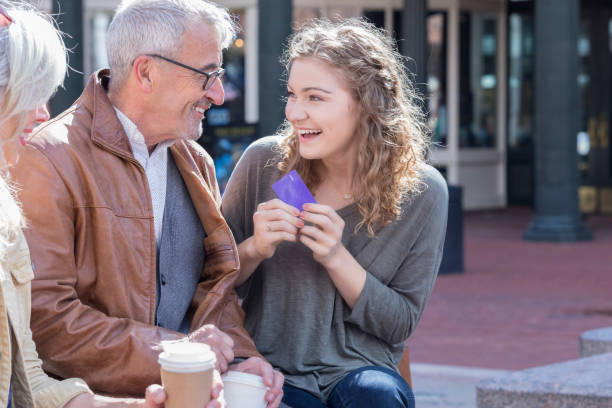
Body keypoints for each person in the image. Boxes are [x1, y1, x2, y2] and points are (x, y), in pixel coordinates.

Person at [8, 0, 283, 405]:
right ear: (146, 72)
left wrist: (241, 357)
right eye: (207, 75)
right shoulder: (46, 156)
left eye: (219, 75)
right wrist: (179, 353)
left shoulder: (197, 161)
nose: (220, 94)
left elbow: (213, 293)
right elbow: (46, 321)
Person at [222, 19, 448, 408]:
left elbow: (399, 324)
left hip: (361, 369)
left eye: (315, 97)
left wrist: (336, 257)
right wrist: (255, 248)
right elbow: (211, 283)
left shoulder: (423, 192)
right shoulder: (265, 163)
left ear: (365, 104)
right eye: (292, 95)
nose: (295, 112)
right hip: (272, 369)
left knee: (375, 397)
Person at [0, 2, 175, 406]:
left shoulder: (8, 215)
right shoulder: (48, 159)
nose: (43, 112)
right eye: (31, 93)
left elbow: (29, 383)